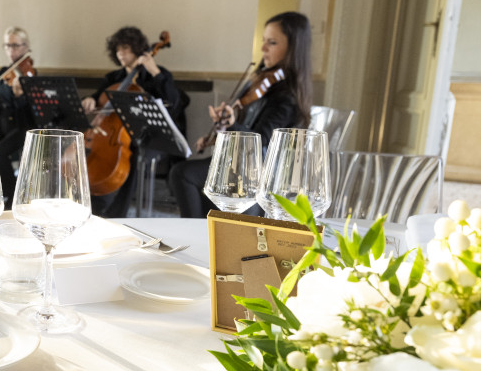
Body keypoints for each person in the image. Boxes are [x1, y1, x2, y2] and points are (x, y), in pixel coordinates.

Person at [168, 11, 312, 218]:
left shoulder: (287, 96)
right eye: (263, 41)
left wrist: (233, 124)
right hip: (240, 163)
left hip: (255, 173)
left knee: (183, 174)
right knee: (185, 174)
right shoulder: (263, 82)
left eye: (272, 43)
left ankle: (196, 230)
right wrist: (222, 130)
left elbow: (260, 140)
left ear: (293, 48)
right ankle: (205, 229)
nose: (262, 48)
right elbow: (243, 130)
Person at [81, 26, 187, 218]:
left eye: (126, 48)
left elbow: (174, 102)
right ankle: (89, 204)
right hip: (112, 136)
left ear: (138, 49)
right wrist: (90, 99)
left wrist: (153, 70)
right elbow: (99, 99)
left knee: (138, 155)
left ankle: (117, 214)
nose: (120, 53)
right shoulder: (113, 78)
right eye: (118, 49)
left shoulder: (157, 75)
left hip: (150, 137)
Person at [0, 26, 36, 209]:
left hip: (22, 126)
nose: (11, 51)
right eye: (7, 46)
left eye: (15, 45)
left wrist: (20, 96)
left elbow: (31, 113)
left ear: (25, 47)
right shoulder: (4, 72)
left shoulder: (30, 75)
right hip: (2, 124)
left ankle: (11, 196)